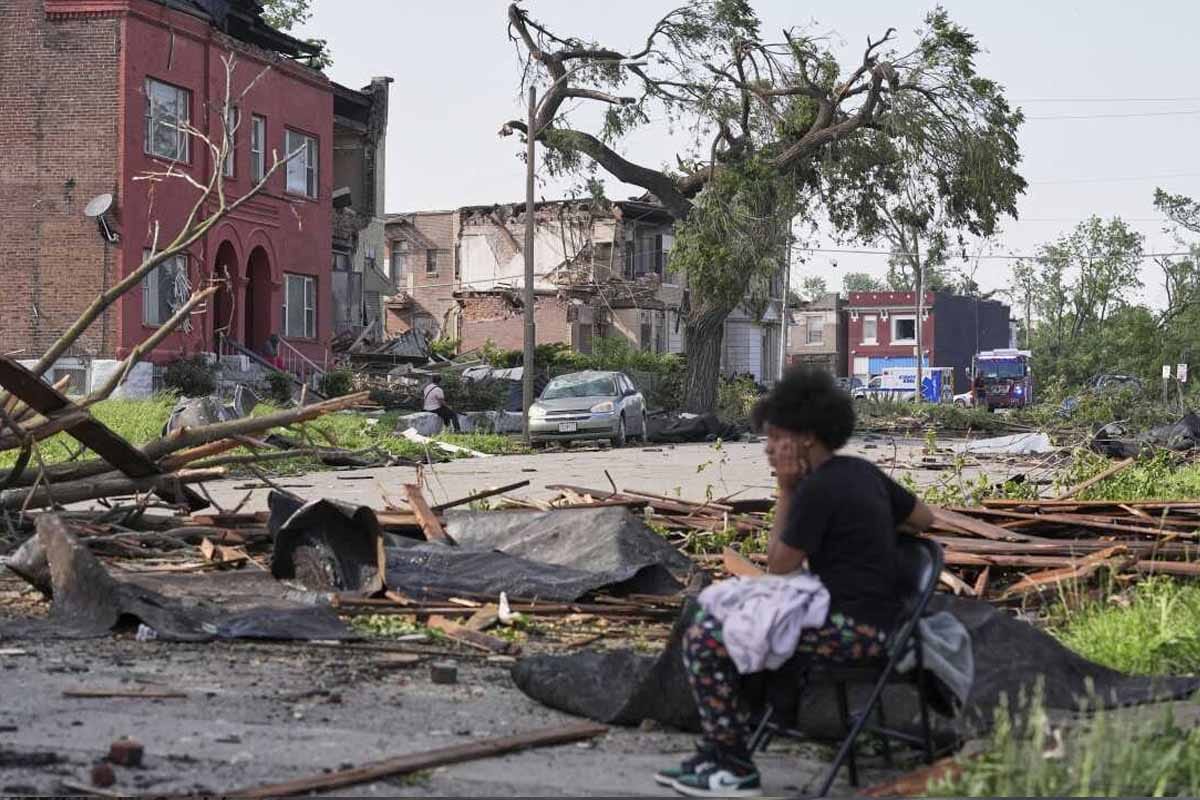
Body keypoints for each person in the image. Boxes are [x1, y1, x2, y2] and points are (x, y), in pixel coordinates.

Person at [656, 367, 934, 798]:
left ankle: (732, 764)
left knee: (704, 638)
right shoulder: (859, 472)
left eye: (774, 438)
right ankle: (719, 750)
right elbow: (924, 519)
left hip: (857, 632)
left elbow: (780, 565)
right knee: (734, 625)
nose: (768, 449)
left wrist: (786, 487)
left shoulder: (816, 489)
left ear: (805, 437)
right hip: (886, 622)